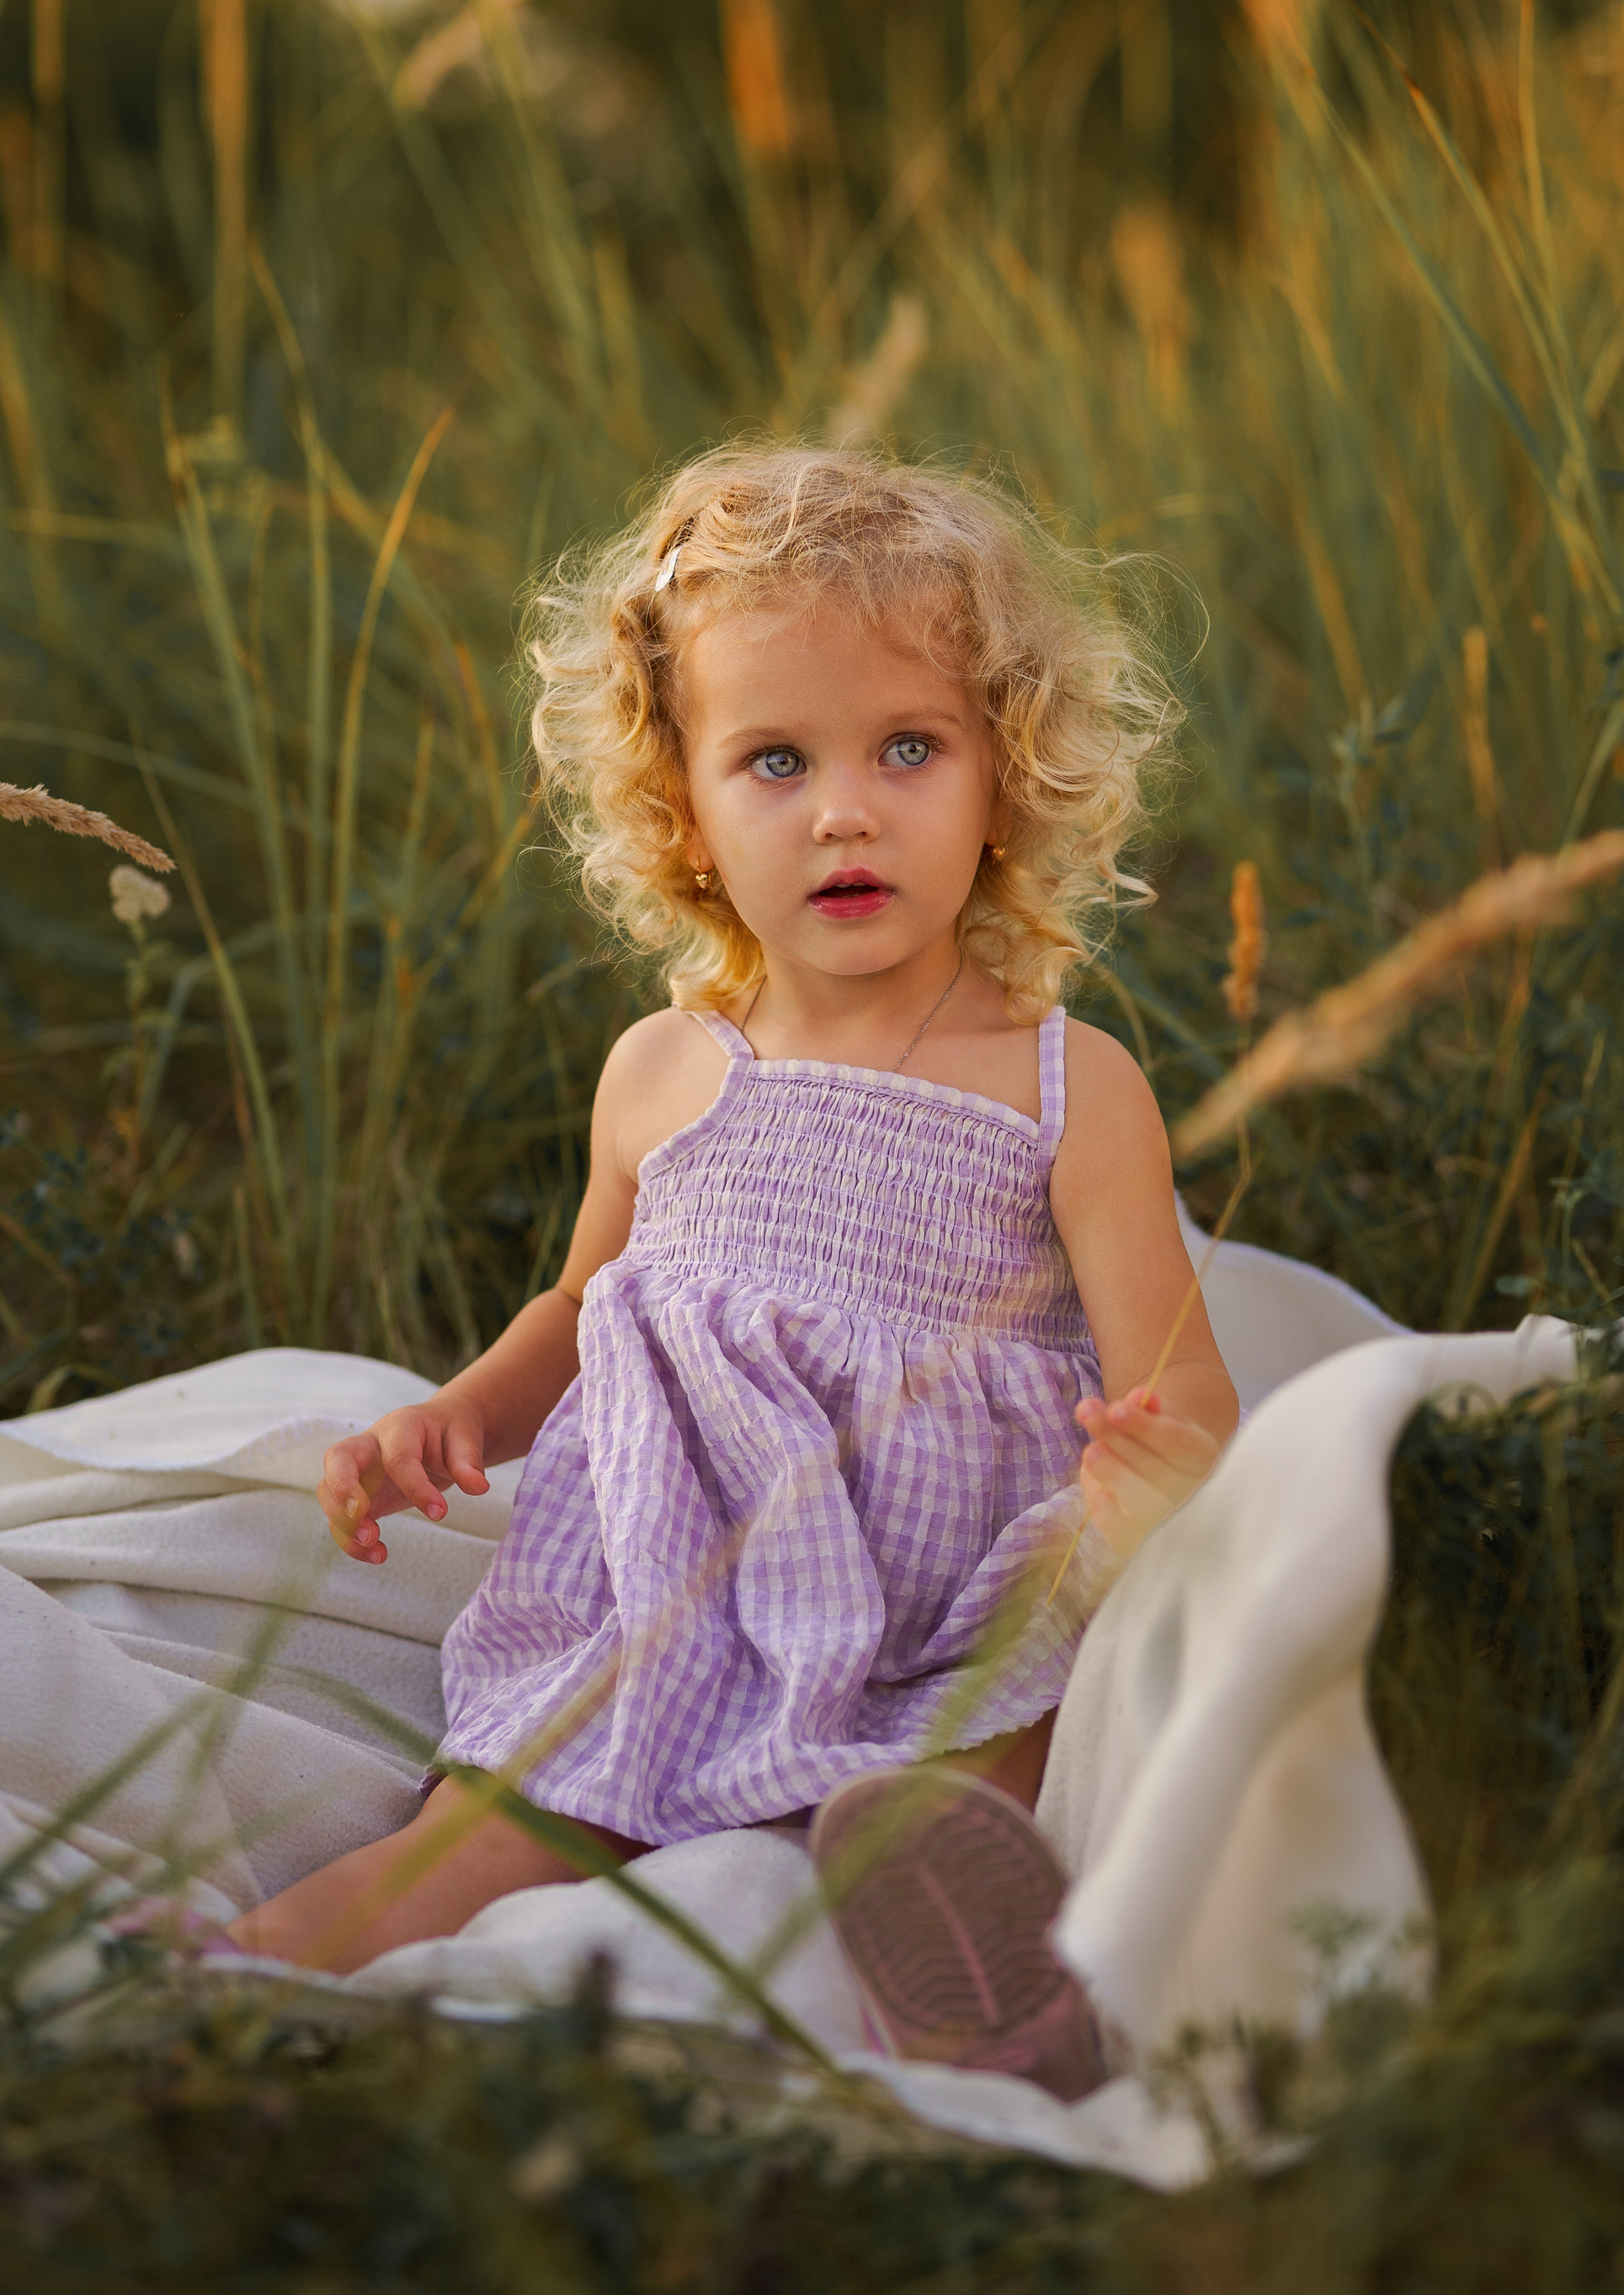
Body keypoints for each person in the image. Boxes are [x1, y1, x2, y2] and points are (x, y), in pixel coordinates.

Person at [227, 444, 1238, 2091]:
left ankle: (981, 1975)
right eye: (774, 758)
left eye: (908, 747)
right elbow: (576, 1306)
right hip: (674, 1568)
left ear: (1005, 776)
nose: (846, 806)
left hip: (942, 1591)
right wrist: (458, 1414)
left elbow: (1173, 1363)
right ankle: (238, 1969)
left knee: (1000, 1727)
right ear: (682, 810)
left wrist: (1158, 1457)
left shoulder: (1066, 1082)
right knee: (510, 1802)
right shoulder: (662, 1070)